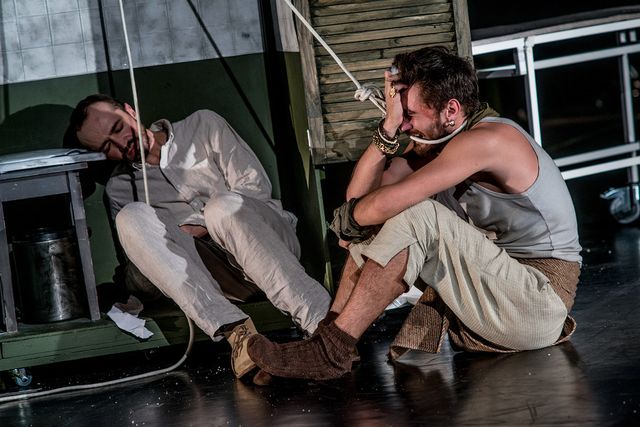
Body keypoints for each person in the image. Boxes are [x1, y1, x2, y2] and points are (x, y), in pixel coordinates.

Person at [246, 46, 582, 382]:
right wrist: (388, 126)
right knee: (382, 220)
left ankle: (329, 351)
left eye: (410, 115)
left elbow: (373, 208)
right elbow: (359, 201)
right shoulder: (435, 143)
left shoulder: (489, 140)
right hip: (496, 294)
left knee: (416, 214)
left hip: (537, 304)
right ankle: (327, 343)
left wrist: (353, 223)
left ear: (451, 110)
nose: (406, 125)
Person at [64, 94, 331, 378]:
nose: (121, 143)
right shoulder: (119, 189)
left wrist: (200, 224)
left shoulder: (204, 124)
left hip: (269, 245)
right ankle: (239, 335)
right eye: (107, 147)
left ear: (130, 110)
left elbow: (254, 188)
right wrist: (156, 247)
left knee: (221, 208)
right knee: (130, 217)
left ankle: (324, 326)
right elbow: (143, 278)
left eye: (118, 128)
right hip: (218, 280)